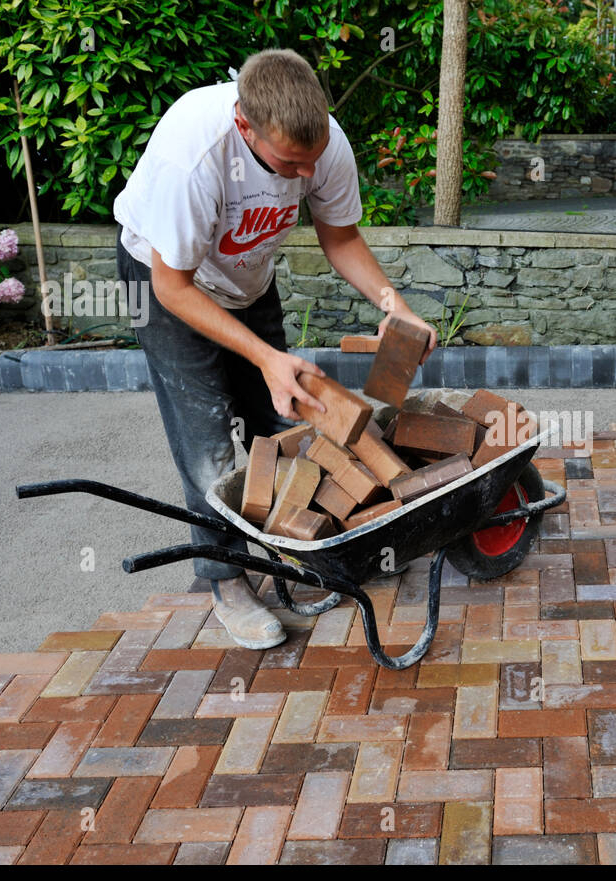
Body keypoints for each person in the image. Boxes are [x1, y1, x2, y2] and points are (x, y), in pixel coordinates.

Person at [114, 48, 436, 650]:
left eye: (311, 163)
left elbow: (340, 238)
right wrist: (265, 357)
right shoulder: (195, 154)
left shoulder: (322, 143)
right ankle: (226, 581)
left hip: (245, 279)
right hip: (166, 286)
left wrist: (397, 306)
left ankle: (309, 543)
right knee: (207, 440)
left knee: (278, 420)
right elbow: (172, 286)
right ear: (245, 127)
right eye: (289, 165)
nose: (305, 177)